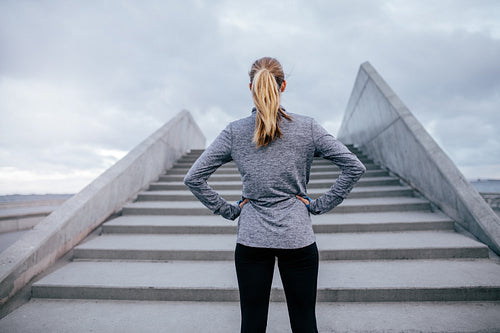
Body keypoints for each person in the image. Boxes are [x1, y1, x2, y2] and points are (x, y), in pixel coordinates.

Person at [184, 57, 366, 333]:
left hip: (252, 239)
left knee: (252, 324)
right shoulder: (308, 128)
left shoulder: (234, 132)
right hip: (298, 237)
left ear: (251, 87)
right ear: (283, 86)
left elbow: (193, 177)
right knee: (305, 322)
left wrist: (231, 210)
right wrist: (318, 205)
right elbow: (354, 166)